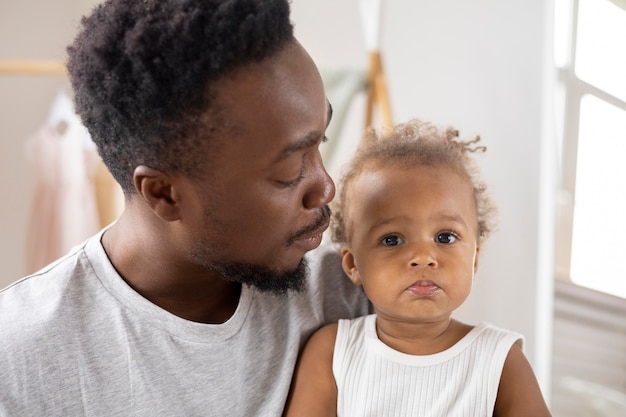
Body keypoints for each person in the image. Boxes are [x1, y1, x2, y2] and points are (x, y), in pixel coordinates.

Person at [0, 1, 371, 415]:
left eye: (320, 141)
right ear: (163, 193)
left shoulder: (357, 294)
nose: (325, 188)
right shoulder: (20, 357)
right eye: (287, 170)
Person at [284, 119, 553, 417]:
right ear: (353, 265)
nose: (424, 257)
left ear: (474, 258)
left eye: (445, 237)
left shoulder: (501, 360)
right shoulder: (333, 352)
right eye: (392, 239)